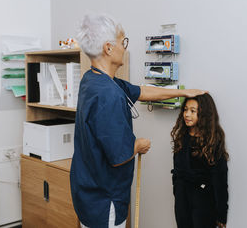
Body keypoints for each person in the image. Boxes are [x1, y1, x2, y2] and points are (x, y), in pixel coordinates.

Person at [70, 13, 206, 228]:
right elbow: (118, 156)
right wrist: (139, 145)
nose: (124, 47)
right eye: (123, 42)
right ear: (108, 48)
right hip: (105, 200)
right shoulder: (108, 95)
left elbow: (141, 91)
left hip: (87, 190)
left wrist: (184, 92)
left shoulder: (94, 80)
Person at [171, 93, 229, 228]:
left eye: (192, 111)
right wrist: (178, 191)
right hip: (182, 201)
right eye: (185, 110)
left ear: (204, 114)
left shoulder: (213, 142)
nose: (187, 114)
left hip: (203, 204)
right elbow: (177, 171)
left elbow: (220, 180)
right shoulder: (182, 137)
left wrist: (221, 214)